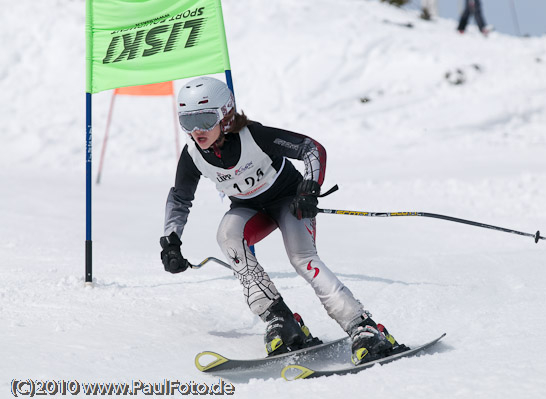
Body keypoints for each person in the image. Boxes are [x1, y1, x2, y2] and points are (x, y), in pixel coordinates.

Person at [159, 77, 409, 365]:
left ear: (226, 115)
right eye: (187, 122)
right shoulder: (193, 155)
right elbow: (179, 198)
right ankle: (280, 319)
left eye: (204, 118)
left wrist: (310, 188)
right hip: (250, 210)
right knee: (228, 235)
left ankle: (363, 326)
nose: (197, 130)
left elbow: (312, 149)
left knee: (302, 258)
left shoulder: (255, 136)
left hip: (289, 203)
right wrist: (171, 242)